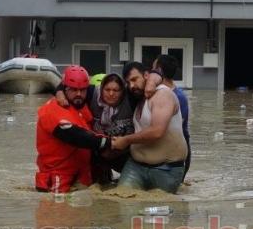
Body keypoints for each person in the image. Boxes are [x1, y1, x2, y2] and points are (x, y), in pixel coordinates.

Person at [111, 62, 187, 194]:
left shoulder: (162, 94)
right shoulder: (138, 98)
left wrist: (125, 140)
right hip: (135, 167)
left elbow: (157, 131)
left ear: (147, 75)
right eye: (128, 82)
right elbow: (102, 89)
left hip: (166, 169)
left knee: (160, 210)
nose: (132, 86)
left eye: (135, 79)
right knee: (121, 203)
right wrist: (60, 91)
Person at [35, 65, 111, 193]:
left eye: (82, 90)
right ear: (65, 88)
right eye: (74, 90)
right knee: (54, 211)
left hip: (81, 175)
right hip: (58, 177)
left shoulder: (82, 107)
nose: (79, 94)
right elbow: (77, 136)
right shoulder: (51, 110)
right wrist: (110, 142)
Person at [54, 73, 136, 185]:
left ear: (122, 92)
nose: (111, 94)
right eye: (107, 89)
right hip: (98, 153)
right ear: (101, 89)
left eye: (116, 90)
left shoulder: (131, 98)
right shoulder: (93, 94)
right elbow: (69, 86)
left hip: (124, 155)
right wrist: (59, 93)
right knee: (95, 188)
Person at [147, 55, 192, 179]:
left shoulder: (178, 96)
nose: (151, 72)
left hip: (175, 157)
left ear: (159, 71)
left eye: (153, 68)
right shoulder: (154, 91)